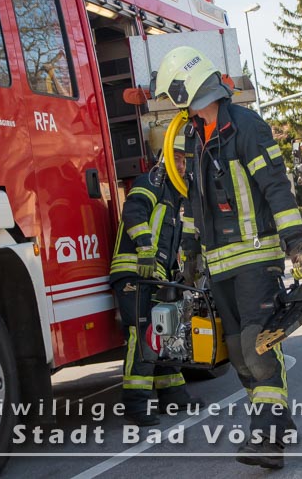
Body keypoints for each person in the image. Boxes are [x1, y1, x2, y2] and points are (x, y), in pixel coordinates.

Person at [153, 47, 302, 469]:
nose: (174, 105)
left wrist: (295, 244)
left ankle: (267, 439)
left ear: (185, 89)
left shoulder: (246, 127)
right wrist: (191, 254)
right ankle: (275, 425)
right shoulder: (193, 136)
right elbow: (193, 202)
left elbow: (276, 187)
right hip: (220, 264)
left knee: (257, 347)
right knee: (239, 355)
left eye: (173, 95)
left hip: (256, 258)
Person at [109, 137, 200, 426]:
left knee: (167, 332)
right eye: (176, 158)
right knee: (144, 334)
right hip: (135, 272)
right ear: (163, 159)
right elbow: (134, 212)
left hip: (157, 277)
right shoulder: (151, 181)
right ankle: (135, 404)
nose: (181, 165)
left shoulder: (176, 196)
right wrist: (146, 249)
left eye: (184, 160)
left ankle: (173, 396)